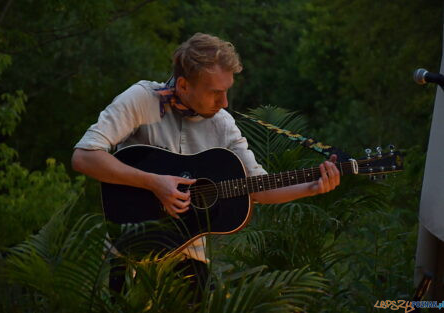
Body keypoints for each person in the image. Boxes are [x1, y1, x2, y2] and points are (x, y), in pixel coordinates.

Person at [71, 32, 340, 296]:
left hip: (189, 262)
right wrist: (154, 183)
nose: (224, 103)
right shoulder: (141, 100)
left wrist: (313, 186)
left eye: (227, 92)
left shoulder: (222, 124)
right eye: (215, 93)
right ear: (184, 85)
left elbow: (257, 188)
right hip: (131, 253)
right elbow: (84, 157)